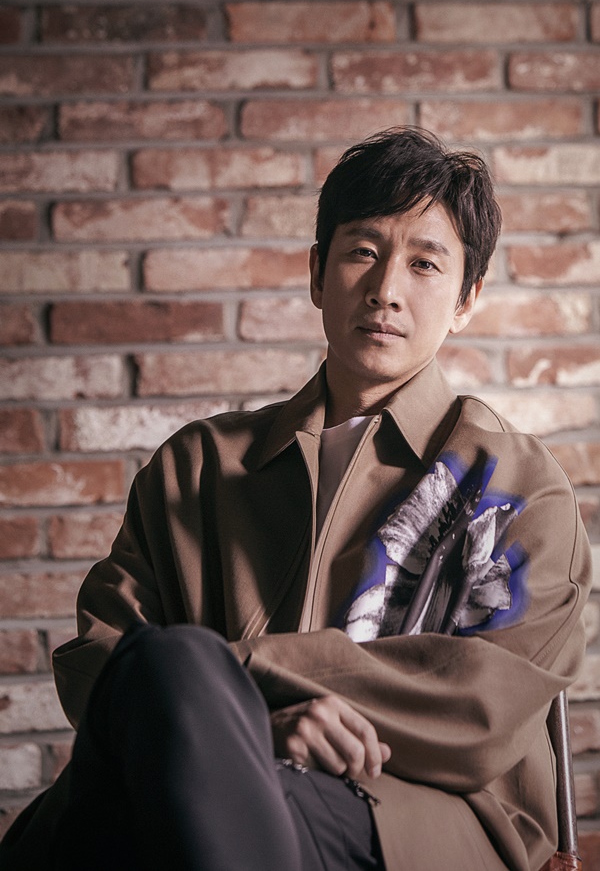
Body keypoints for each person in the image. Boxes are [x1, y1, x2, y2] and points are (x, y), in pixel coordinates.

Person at [0, 127, 591, 871]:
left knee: (150, 751)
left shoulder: (517, 486)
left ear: (467, 298)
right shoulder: (197, 468)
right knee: (151, 730)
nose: (386, 290)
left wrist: (232, 695)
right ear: (317, 274)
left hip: (415, 815)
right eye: (362, 251)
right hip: (201, 786)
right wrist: (250, 731)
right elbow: (101, 659)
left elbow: (484, 703)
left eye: (424, 263)